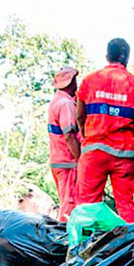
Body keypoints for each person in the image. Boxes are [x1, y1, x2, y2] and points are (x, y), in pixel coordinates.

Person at [75, 38, 134, 223]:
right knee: (127, 207)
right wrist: (132, 142)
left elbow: (79, 117)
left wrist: (89, 138)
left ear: (107, 55)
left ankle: (84, 248)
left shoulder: (89, 81)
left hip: (94, 152)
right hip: (124, 154)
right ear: (125, 56)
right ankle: (129, 248)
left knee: (87, 207)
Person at [47, 67, 80, 222]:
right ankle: (67, 241)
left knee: (66, 201)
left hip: (58, 161)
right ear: (71, 82)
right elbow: (69, 136)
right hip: (68, 162)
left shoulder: (56, 101)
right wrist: (80, 160)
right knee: (70, 205)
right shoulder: (65, 104)